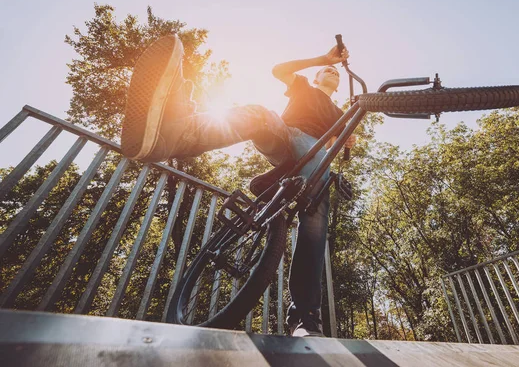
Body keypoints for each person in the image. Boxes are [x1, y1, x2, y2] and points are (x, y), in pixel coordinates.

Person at [120, 34, 355, 337]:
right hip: (286, 135)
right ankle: (174, 135)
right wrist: (324, 59)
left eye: (335, 73)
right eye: (328, 71)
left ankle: (306, 320)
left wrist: (349, 136)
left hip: (316, 151)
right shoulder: (304, 87)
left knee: (315, 215)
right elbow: (279, 70)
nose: (332, 74)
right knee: (259, 114)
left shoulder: (340, 113)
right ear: (319, 75)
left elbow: (343, 142)